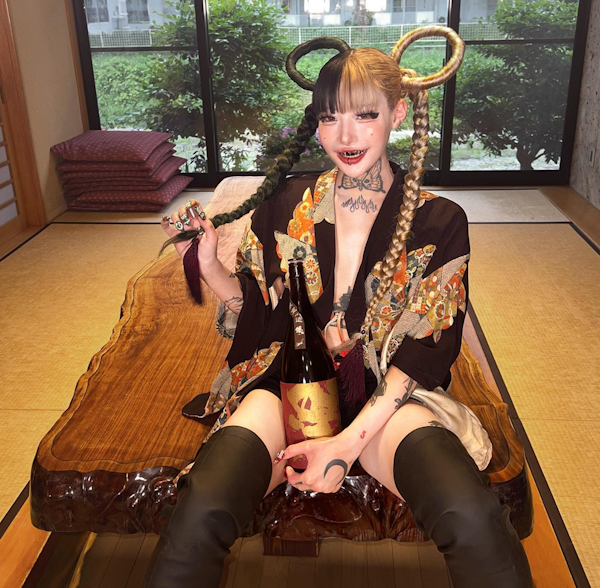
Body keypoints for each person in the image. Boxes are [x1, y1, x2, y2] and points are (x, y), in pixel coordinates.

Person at [145, 26, 534, 588]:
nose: (344, 136)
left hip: (387, 400)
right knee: (204, 503)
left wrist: (346, 446)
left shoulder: (440, 220)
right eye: (329, 118)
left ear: (398, 114)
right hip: (289, 385)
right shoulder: (285, 202)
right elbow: (258, 312)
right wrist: (207, 266)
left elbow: (425, 351)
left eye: (365, 116)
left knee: (470, 515)